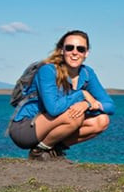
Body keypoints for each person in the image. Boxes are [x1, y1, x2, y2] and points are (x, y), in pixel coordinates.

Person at [8, 30, 115, 161]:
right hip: (26, 127)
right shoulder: (48, 71)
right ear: (62, 50)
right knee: (75, 116)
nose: (75, 52)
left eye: (80, 49)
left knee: (102, 120)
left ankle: (53, 150)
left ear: (86, 53)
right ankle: (38, 152)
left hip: (54, 124)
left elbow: (110, 106)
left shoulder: (87, 73)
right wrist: (82, 94)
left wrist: (86, 104)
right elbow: (53, 109)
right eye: (70, 48)